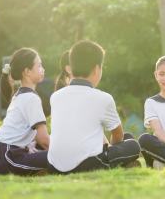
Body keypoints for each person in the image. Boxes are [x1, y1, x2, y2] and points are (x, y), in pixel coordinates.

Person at [47, 40, 141, 174]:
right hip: (88, 165)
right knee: (132, 144)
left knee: (127, 137)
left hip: (54, 167)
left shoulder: (55, 97)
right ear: (97, 69)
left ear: (71, 68)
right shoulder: (103, 98)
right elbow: (118, 135)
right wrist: (110, 150)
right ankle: (122, 164)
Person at [0, 48, 50, 175]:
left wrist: (30, 146)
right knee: (60, 157)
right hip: (9, 156)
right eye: (39, 65)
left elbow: (37, 138)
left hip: (2, 154)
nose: (42, 69)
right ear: (27, 71)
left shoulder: (20, 95)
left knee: (54, 156)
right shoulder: (30, 98)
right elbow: (44, 140)